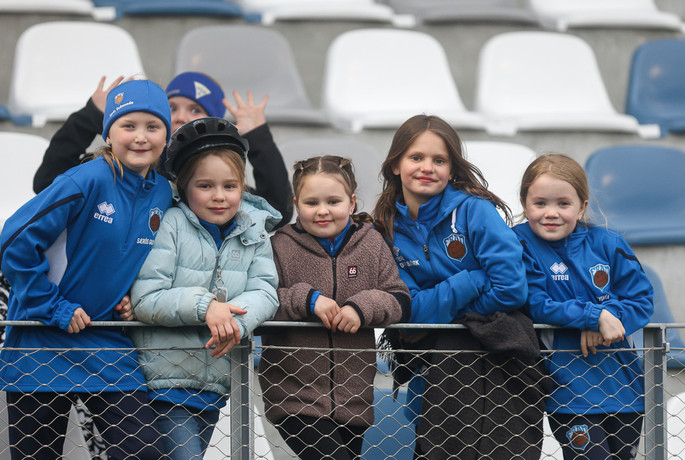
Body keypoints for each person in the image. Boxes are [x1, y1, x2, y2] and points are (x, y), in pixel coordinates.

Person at [0, 79, 172, 459]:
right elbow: (13, 241)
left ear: (166, 135)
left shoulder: (163, 193)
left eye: (152, 126)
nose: (140, 137)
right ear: (108, 133)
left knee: (145, 452)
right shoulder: (87, 178)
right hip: (41, 342)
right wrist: (52, 306)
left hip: (106, 343)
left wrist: (135, 297)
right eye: (128, 125)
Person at [372, 114, 547, 459]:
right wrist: (472, 279)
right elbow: (411, 310)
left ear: (452, 169)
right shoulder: (385, 229)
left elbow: (512, 290)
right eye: (416, 157)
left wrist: (450, 312)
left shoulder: (476, 211)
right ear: (395, 165)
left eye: (439, 160)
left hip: (499, 364)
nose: (427, 168)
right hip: (433, 372)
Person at [129, 117, 281, 460]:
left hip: (215, 384)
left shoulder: (254, 231)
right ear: (184, 187)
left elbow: (265, 291)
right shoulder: (169, 224)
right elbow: (146, 299)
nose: (219, 196)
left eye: (230, 186)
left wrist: (234, 322)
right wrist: (206, 306)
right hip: (166, 382)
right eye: (205, 185)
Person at [259, 155, 410, 460]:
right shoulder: (279, 246)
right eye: (311, 202)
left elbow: (399, 299)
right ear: (296, 204)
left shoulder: (372, 244)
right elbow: (262, 300)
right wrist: (307, 300)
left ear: (351, 202)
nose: (322, 211)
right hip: (294, 397)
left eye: (333, 201)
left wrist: (361, 307)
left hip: (354, 400)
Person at [512, 153, 654, 459]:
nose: (551, 213)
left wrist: (607, 316)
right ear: (524, 203)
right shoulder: (518, 244)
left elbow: (642, 300)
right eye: (540, 203)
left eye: (563, 204)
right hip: (568, 391)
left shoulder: (608, 243)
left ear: (582, 207)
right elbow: (536, 304)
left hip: (624, 389)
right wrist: (592, 316)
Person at [33, 71, 293, 227]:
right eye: (172, 107)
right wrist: (91, 117)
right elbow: (47, 181)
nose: (180, 117)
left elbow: (277, 212)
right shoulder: (123, 164)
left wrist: (258, 138)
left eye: (195, 110)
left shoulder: (219, 181)